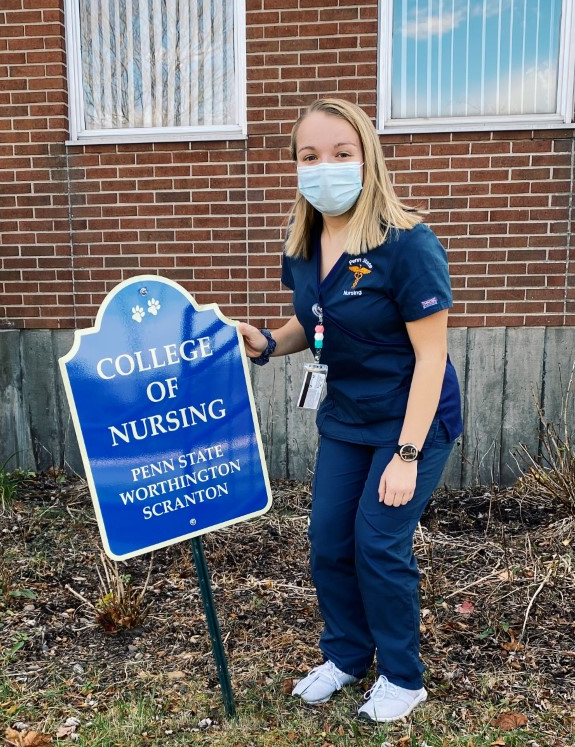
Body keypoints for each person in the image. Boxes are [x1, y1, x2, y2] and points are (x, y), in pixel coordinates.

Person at [238, 98, 463, 723]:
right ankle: (345, 655)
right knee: (328, 543)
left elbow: (432, 357)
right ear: (296, 165)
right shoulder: (303, 243)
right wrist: (265, 341)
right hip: (346, 415)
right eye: (310, 156)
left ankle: (402, 675)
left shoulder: (408, 244)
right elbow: (311, 323)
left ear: (368, 158)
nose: (325, 166)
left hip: (412, 417)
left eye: (341, 153)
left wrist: (407, 455)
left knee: (378, 542)